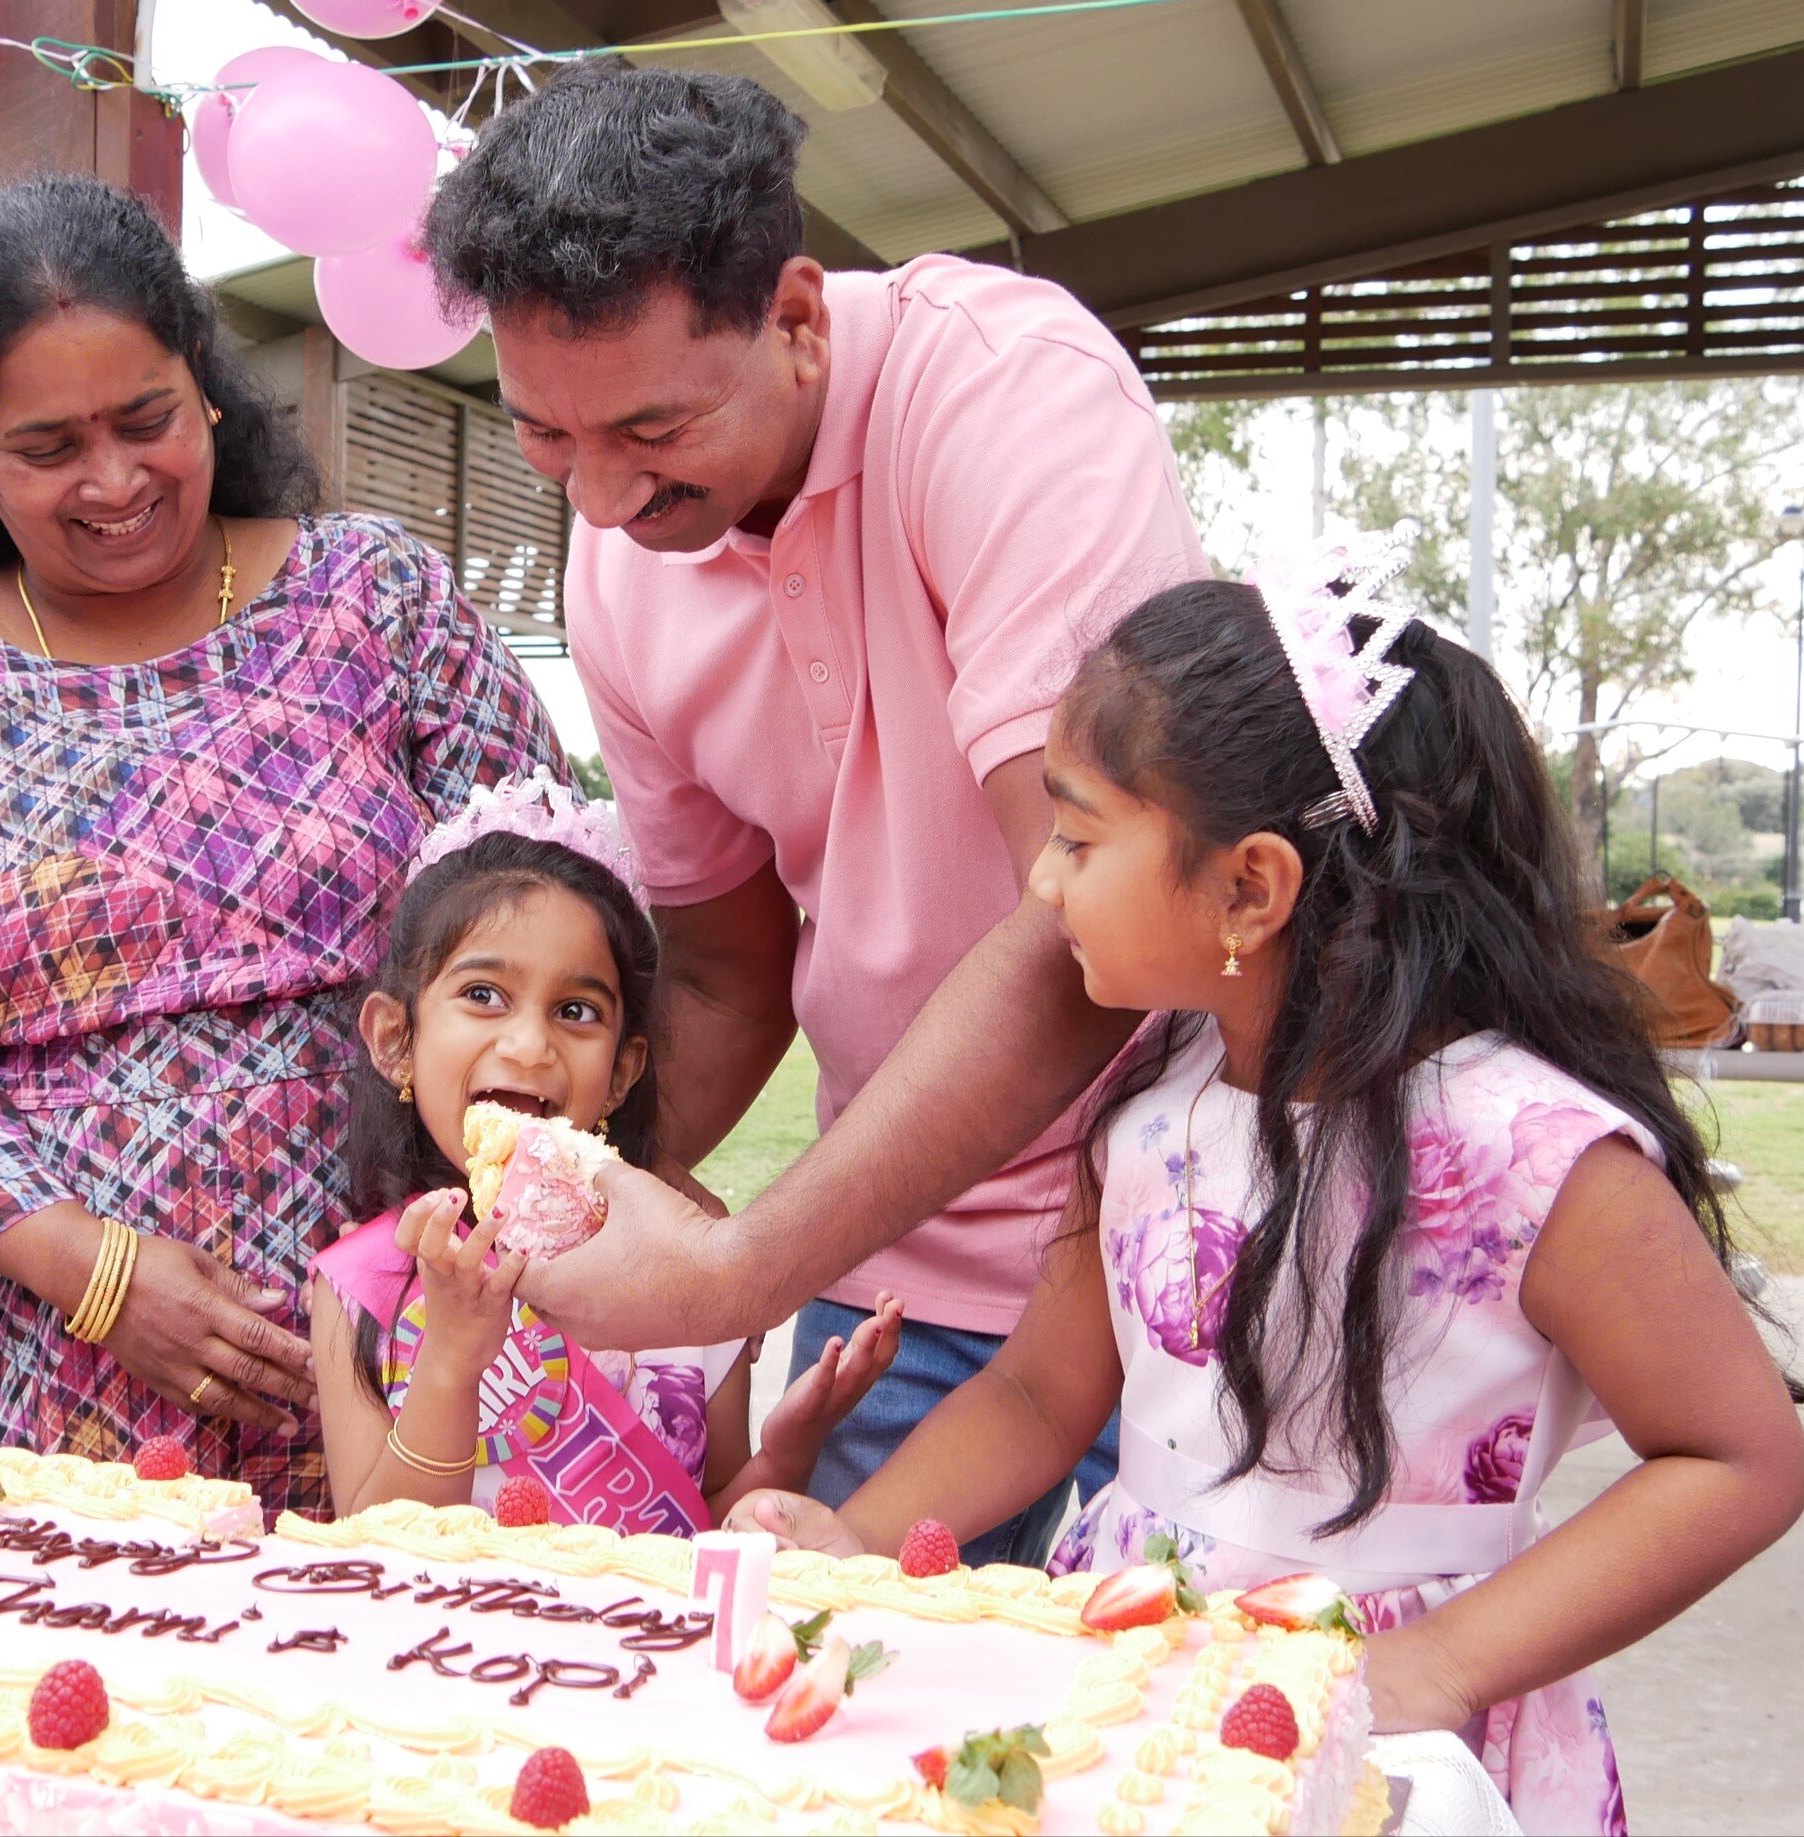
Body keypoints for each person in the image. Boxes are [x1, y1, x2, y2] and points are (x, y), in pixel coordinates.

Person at [730, 552, 1804, 1832]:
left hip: (1395, 1727)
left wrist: (1441, 1662)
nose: (1043, 882)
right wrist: (860, 1541)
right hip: (1133, 1676)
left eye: (1077, 836)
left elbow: (1738, 1458)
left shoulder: (1536, 1156)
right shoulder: (1153, 1100)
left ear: (1249, 886)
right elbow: (1037, 1393)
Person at [423, 63, 1209, 1562]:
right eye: (544, 436)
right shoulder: (618, 567)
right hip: (892, 1261)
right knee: (839, 1685)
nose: (600, 500)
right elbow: (726, 973)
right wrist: (551, 1194)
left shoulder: (1008, 394)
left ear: (795, 319)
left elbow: (1084, 921)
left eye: (652, 429)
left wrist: (735, 1270)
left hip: (1168, 1243)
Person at [0, 176, 562, 1517]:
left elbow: (549, 905)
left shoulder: (379, 603)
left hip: (406, 1368)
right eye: (48, 446)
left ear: (204, 379)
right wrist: (98, 1274)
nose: (115, 479)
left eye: (146, 418)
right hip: (44, 1390)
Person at [306, 772, 903, 1529]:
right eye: (483, 995)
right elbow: (375, 1549)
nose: (530, 1044)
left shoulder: (685, 1266)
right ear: (396, 1039)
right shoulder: (361, 1287)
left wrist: (788, 1451)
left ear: (622, 1070)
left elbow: (708, 1522)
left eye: (576, 1010)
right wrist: (450, 1358)